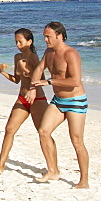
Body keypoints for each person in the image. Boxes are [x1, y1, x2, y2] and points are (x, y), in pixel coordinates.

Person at [30, 21, 90, 188]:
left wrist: (49, 82)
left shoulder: (71, 53)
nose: (46, 40)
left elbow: (75, 81)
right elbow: (39, 68)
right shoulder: (49, 52)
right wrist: (33, 87)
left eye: (48, 37)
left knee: (76, 141)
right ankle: (53, 171)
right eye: (44, 37)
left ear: (59, 36)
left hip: (75, 101)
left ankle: (84, 180)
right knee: (43, 131)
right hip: (58, 100)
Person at [0, 28, 48, 173]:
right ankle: (1, 164)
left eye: (20, 41)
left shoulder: (33, 58)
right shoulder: (17, 57)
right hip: (22, 98)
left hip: (37, 99)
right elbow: (16, 80)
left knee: (43, 133)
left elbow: (43, 80)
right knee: (9, 129)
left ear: (29, 41)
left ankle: (52, 167)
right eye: (16, 42)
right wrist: (2, 72)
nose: (18, 45)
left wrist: (30, 73)